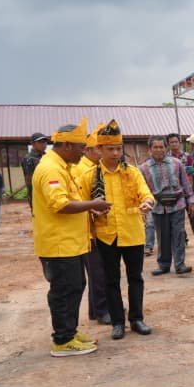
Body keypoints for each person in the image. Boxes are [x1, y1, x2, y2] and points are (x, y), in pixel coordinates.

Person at [32, 121, 112, 357]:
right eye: (80, 147)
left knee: (75, 287)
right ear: (66, 145)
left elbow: (70, 200)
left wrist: (89, 208)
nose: (83, 152)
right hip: (59, 244)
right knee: (64, 291)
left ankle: (70, 332)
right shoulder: (51, 169)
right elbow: (60, 204)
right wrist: (92, 204)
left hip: (70, 243)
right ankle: (63, 340)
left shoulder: (63, 165)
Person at [76, 121, 154, 340]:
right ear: (99, 149)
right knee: (111, 280)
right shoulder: (89, 176)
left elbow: (146, 194)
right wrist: (91, 210)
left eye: (119, 148)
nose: (116, 153)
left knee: (135, 278)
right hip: (106, 235)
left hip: (132, 232)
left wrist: (147, 202)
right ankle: (118, 322)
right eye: (110, 149)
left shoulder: (133, 172)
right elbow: (82, 205)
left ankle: (136, 319)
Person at [140, 135, 194, 276]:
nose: (159, 150)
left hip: (178, 205)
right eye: (155, 147)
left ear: (166, 148)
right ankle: (164, 265)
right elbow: (142, 189)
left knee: (179, 234)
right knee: (162, 236)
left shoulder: (176, 163)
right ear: (150, 149)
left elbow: (186, 184)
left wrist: (191, 202)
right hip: (157, 207)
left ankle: (180, 265)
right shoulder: (143, 168)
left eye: (161, 147)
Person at [77, 130, 110, 325]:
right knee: (98, 272)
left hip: (98, 228)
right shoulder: (83, 170)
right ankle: (102, 309)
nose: (102, 152)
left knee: (100, 270)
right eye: (100, 148)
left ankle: (96, 309)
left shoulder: (96, 167)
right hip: (88, 230)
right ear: (88, 150)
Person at [22, 132, 50, 209]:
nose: (44, 144)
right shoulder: (28, 159)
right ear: (33, 144)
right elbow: (30, 181)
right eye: (40, 142)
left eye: (45, 142)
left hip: (48, 191)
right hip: (36, 194)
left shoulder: (47, 157)